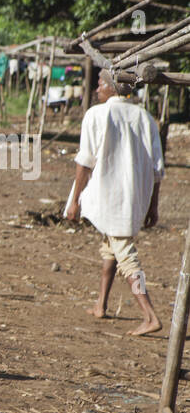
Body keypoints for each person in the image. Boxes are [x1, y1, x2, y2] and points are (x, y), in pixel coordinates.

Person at [66, 68, 165, 336]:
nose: (97, 89)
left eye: (100, 84)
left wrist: (74, 201)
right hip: (135, 196)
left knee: (127, 258)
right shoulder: (145, 118)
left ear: (113, 88)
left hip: (109, 195)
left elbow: (84, 162)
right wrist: (153, 205)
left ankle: (149, 315)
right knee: (111, 247)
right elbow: (157, 169)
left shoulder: (97, 115)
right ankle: (101, 304)